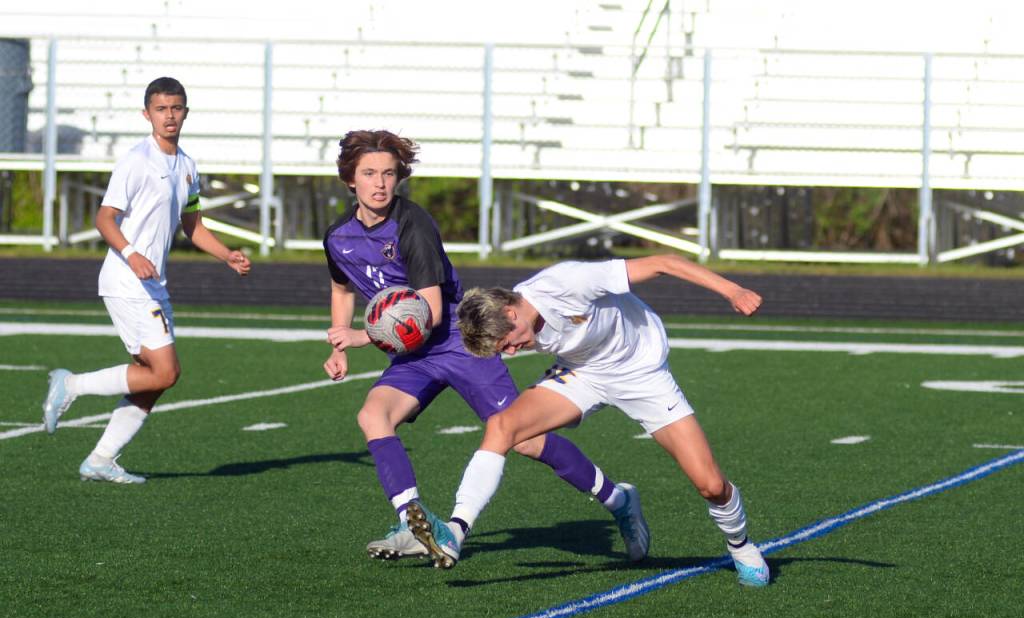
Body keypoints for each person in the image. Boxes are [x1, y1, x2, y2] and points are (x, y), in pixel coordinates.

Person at [322, 130, 648, 569]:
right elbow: (342, 283)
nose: (380, 183)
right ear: (350, 180)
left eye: (389, 173)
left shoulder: (412, 224)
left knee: (526, 439)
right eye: (369, 174)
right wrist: (339, 336)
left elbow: (431, 312)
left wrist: (364, 337)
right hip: (412, 353)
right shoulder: (338, 236)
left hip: (459, 341)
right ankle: (411, 522)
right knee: (372, 416)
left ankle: (618, 499)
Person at [447, 255, 771, 587]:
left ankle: (741, 546)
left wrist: (732, 290)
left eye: (508, 343)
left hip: (642, 373)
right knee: (503, 427)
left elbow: (665, 262)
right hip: (582, 373)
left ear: (510, 313)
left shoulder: (568, 283)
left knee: (711, 485)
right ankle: (457, 530)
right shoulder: (519, 321)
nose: (512, 353)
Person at [41, 76, 252, 484]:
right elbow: (105, 218)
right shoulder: (137, 160)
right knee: (165, 372)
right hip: (126, 279)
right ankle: (71, 385)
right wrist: (132, 253)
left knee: (153, 379)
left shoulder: (188, 166)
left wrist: (227, 255)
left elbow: (193, 226)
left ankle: (100, 459)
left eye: (176, 108)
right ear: (147, 114)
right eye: (161, 109)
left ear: (185, 113)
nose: (169, 116)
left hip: (153, 283)